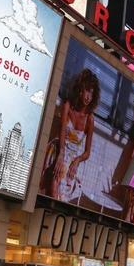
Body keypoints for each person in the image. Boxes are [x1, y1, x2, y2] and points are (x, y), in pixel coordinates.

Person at [44, 68, 99, 201]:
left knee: (62, 188)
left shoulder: (90, 119)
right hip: (58, 149)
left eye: (91, 93)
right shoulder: (67, 106)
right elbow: (62, 129)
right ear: (80, 89)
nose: (88, 97)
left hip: (72, 159)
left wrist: (77, 160)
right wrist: (61, 154)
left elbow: (87, 153)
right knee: (57, 175)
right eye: (86, 91)